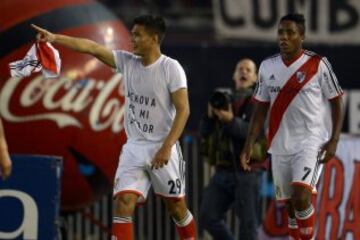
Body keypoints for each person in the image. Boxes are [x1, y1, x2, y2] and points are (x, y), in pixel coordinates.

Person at [32, 15, 196, 240]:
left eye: (138, 35)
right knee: (123, 203)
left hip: (162, 145)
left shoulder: (171, 68)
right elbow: (91, 47)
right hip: (135, 147)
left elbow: (184, 110)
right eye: (132, 34)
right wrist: (54, 38)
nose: (132, 39)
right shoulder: (127, 62)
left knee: (176, 208)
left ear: (154, 38)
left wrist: (167, 146)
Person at [240, 13, 344, 240]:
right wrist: (249, 143)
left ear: (302, 36)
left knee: (301, 197)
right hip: (279, 144)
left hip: (311, 140)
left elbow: (337, 100)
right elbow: (260, 109)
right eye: (280, 32)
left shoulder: (318, 64)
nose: (283, 37)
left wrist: (334, 138)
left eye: (290, 33)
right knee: (289, 207)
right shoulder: (267, 67)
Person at [199, 59, 264, 240]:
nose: (244, 72)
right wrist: (210, 116)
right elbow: (204, 132)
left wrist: (230, 120)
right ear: (234, 75)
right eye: (240, 69)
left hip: (248, 172)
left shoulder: (259, 101)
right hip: (223, 171)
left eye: (248, 70)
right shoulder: (223, 99)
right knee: (207, 216)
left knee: (248, 225)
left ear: (255, 77)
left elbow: (255, 132)